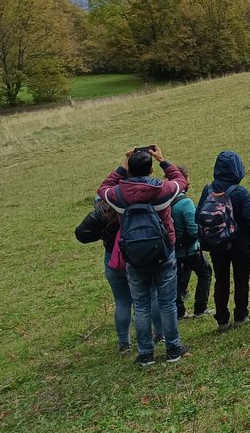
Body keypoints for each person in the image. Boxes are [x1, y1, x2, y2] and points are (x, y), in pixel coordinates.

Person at [96, 145, 189, 365]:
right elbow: (181, 181)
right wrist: (163, 160)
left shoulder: (118, 195)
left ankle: (145, 353)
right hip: (163, 252)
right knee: (167, 303)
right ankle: (173, 348)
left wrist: (123, 166)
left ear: (130, 169)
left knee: (141, 305)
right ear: (151, 170)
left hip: (134, 255)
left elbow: (103, 188)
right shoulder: (162, 190)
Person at [74, 197, 162, 354]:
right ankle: (159, 334)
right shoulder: (142, 199)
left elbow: (81, 233)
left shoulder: (105, 207)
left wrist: (103, 235)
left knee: (122, 302)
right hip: (141, 255)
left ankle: (124, 343)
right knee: (151, 296)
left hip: (114, 259)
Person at [199, 151, 250, 331]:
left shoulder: (208, 190)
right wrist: (242, 235)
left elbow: (197, 217)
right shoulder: (240, 192)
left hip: (216, 244)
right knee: (241, 279)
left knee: (221, 280)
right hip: (240, 245)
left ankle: (222, 320)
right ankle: (240, 315)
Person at [170, 166, 211, 320]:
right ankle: (201, 308)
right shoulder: (185, 203)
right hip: (189, 250)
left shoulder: (163, 200)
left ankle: (179, 312)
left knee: (176, 280)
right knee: (205, 272)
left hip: (172, 250)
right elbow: (194, 230)